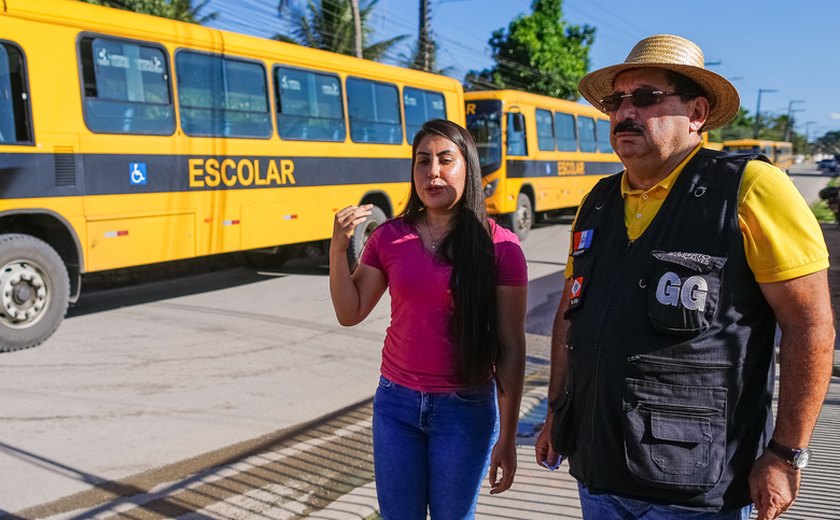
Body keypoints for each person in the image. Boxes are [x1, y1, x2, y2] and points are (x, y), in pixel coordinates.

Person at [534, 34, 835, 520]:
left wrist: (785, 453)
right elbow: (572, 314)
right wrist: (555, 411)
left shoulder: (751, 188)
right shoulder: (597, 201)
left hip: (696, 487)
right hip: (597, 473)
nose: (625, 112)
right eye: (617, 101)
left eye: (647, 98)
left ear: (696, 113)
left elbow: (810, 326)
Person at [330, 119, 527, 519]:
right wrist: (337, 248)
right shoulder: (388, 237)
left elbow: (510, 346)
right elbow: (350, 312)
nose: (432, 172)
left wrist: (507, 436)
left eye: (444, 160)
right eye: (422, 161)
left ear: (467, 167)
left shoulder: (501, 247)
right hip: (396, 406)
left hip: (466, 409)